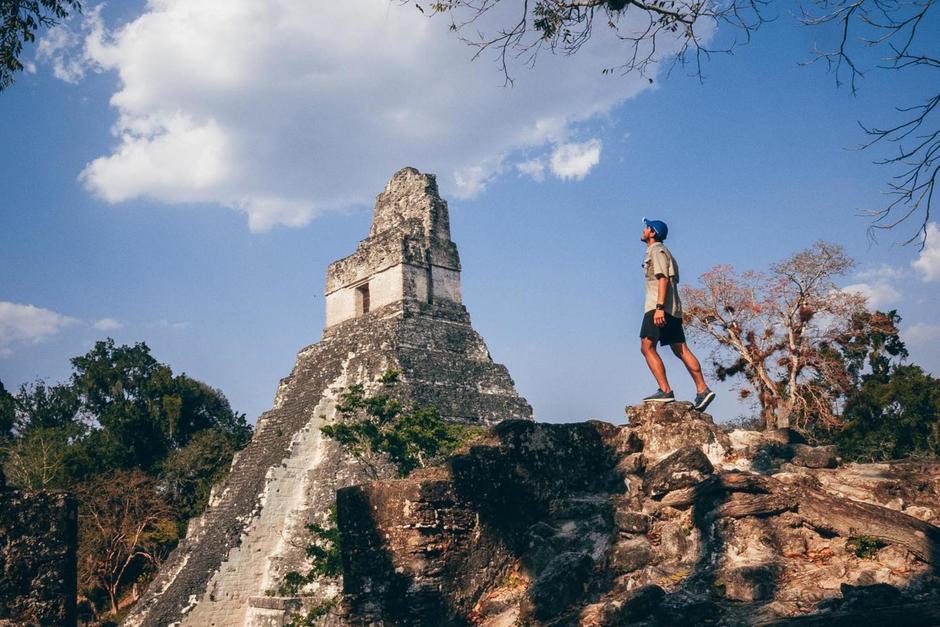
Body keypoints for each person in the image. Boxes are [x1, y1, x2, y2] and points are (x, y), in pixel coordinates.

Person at [638, 217, 715, 411]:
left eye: (646, 228)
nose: (644, 230)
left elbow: (662, 279)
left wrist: (659, 308)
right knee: (680, 349)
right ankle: (702, 390)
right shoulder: (664, 252)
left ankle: (665, 390)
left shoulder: (656, 250)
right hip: (672, 308)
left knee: (647, 347)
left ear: (652, 232)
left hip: (659, 307)